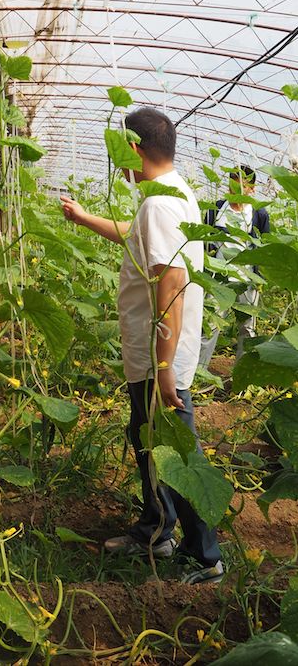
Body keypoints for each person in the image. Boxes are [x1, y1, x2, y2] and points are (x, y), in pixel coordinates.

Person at [61, 107, 223, 584]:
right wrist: (85, 217)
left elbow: (170, 280)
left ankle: (207, 558)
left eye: (118, 147)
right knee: (148, 444)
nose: (116, 158)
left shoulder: (159, 204)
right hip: (154, 354)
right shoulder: (171, 195)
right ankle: (157, 529)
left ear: (134, 146)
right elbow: (139, 242)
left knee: (179, 456)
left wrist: (166, 365)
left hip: (160, 358)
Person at [199, 164, 270, 366]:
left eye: (242, 185)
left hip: (247, 279)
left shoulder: (259, 214)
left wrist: (260, 279)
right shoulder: (216, 209)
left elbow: (264, 248)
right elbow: (206, 242)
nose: (236, 189)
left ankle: (240, 376)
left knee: (247, 328)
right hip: (217, 278)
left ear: (252, 189)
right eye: (232, 184)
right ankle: (198, 374)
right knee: (210, 325)